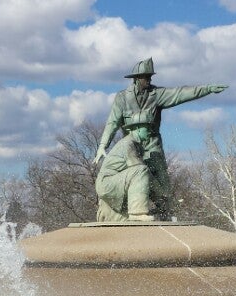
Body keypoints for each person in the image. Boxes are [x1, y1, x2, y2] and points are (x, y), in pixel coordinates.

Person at [94, 58, 227, 219]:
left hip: (153, 148)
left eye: (150, 77)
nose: (149, 80)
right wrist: (103, 145)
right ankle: (133, 213)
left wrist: (207, 89)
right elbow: (112, 123)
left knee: (162, 184)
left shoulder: (156, 94)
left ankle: (166, 214)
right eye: (146, 77)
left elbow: (181, 94)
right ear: (137, 78)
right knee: (137, 177)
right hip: (133, 148)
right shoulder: (122, 98)